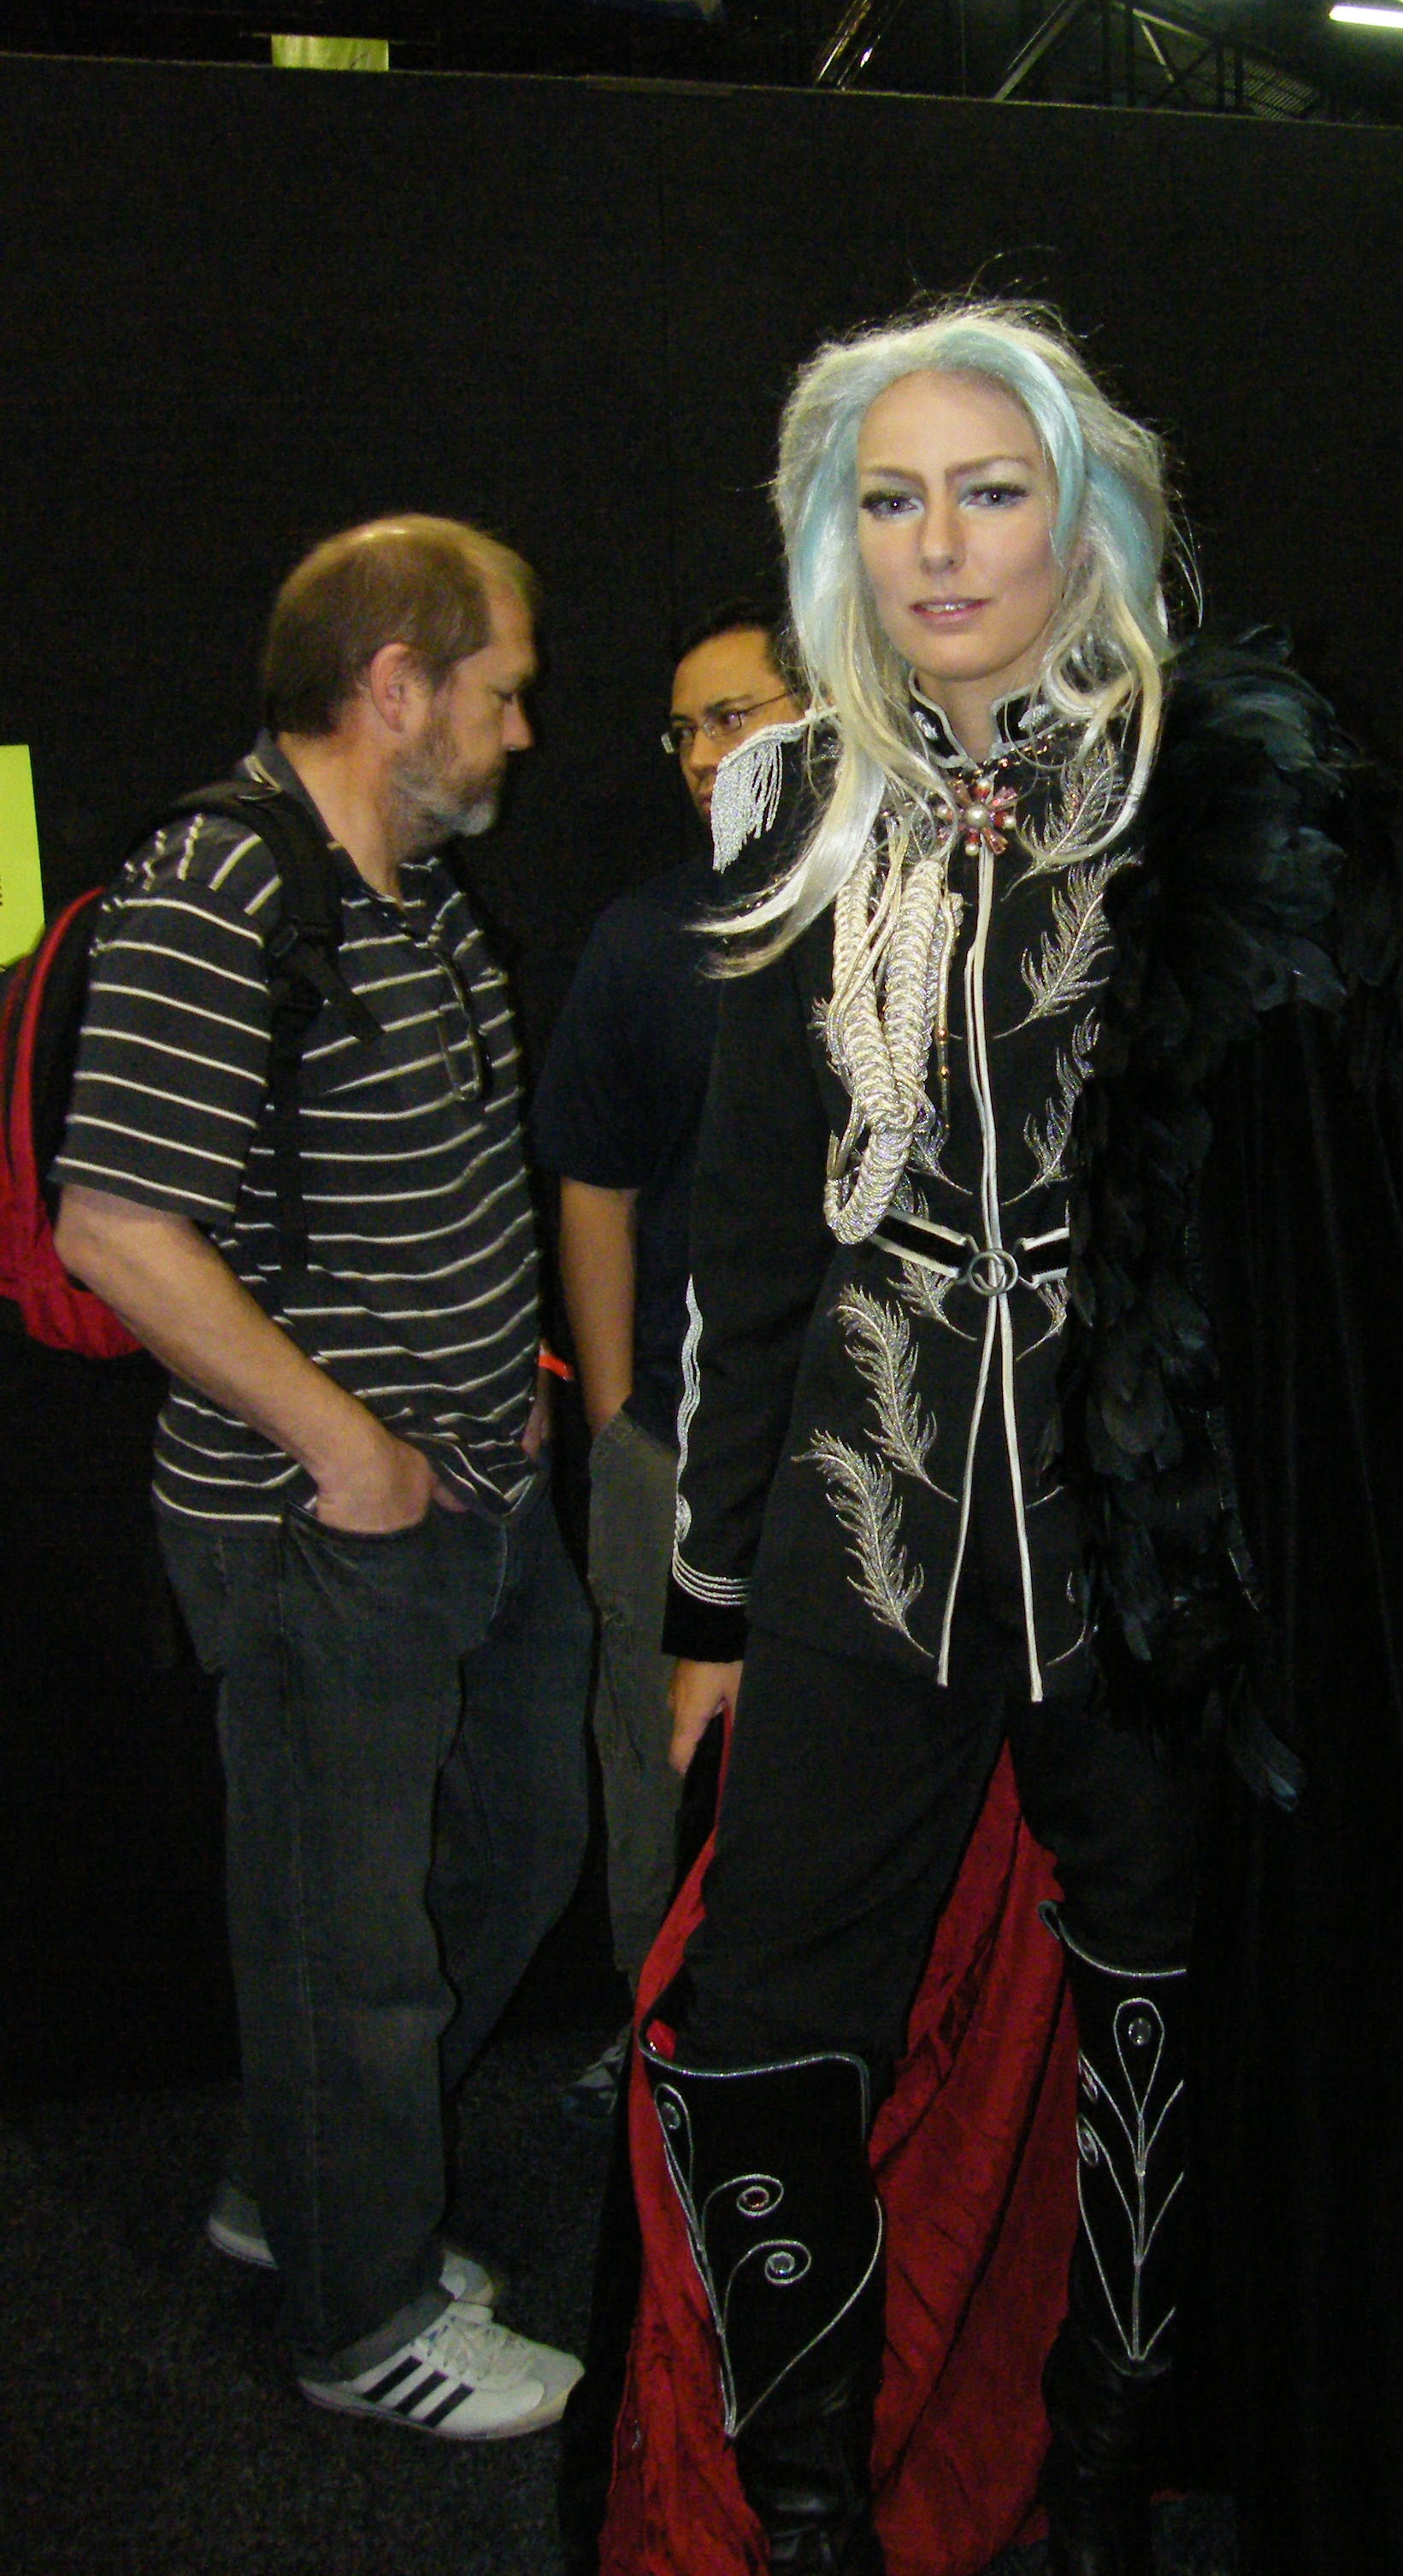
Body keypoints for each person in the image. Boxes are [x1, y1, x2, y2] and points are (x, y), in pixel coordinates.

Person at [609, 305, 1403, 2575]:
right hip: (865, 1527)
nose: (941, 545)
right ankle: (807, 2514)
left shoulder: (1216, 792)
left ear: (1086, 518)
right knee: (763, 2005)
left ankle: (1102, 2480)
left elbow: (1340, 1228)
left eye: (992, 492)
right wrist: (707, 1598)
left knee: (1160, 1981)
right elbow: (752, 1244)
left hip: (1144, 1538)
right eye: (891, 500)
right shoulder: (793, 803)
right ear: (833, 541)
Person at [52, 516, 592, 2443]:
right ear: (396, 685)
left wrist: (506, 1386)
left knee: (517, 1838)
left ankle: (299, 2181)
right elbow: (116, 1225)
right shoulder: (220, 890)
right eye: (499, 690)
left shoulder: (416, 887)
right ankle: (359, 2319)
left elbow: (430, 1182)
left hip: (476, 1498)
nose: (521, 729)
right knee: (348, 1943)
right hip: (321, 1533)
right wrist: (348, 1443)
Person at [533, 602, 805, 2125]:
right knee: (656, 1750)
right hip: (675, 1437)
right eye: (685, 730)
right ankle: (652, 2037)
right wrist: (622, 1417)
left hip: (851, 1438)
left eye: (736, 715)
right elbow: (595, 1184)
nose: (705, 756)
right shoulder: (644, 939)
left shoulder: (905, 911)